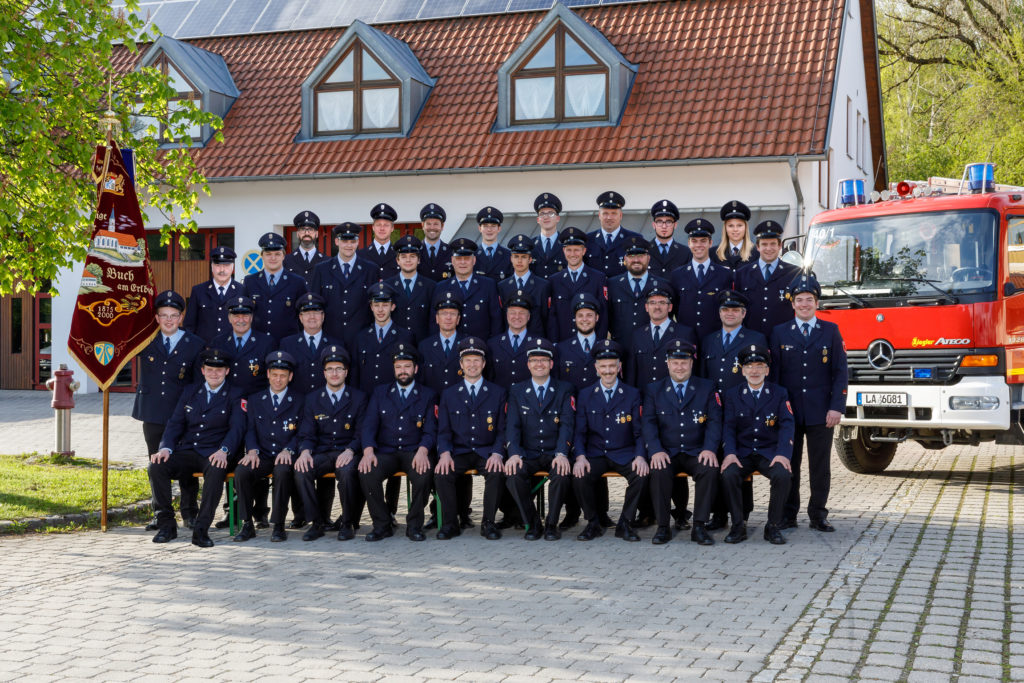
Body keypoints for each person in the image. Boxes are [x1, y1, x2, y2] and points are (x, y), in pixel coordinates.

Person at [770, 274, 847, 532]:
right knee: (790, 464)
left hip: (821, 412)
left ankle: (818, 515)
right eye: (800, 300)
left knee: (820, 466)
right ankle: (788, 514)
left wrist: (837, 406)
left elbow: (839, 372)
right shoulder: (780, 332)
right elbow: (776, 375)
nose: (804, 304)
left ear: (817, 303)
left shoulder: (830, 331)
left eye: (809, 300)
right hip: (790, 412)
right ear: (792, 303)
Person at [148, 348, 246, 548]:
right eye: (210, 369)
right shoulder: (190, 391)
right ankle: (167, 525)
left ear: (227, 371)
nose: (214, 374)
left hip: (215, 451)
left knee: (217, 469)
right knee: (156, 466)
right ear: (203, 370)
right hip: (189, 450)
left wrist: (224, 451)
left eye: (219, 370)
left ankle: (201, 530)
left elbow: (237, 428)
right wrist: (166, 448)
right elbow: (175, 423)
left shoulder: (235, 394)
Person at [133, 290, 205, 531]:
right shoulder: (145, 340)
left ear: (181, 317)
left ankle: (189, 512)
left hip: (182, 414)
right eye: (164, 315)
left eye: (174, 315)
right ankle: (160, 513)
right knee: (155, 463)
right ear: (156, 318)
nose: (169, 320)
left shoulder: (194, 344)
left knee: (185, 466)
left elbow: (197, 384)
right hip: (152, 412)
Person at [698, 290, 767, 531]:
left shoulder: (756, 338)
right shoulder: (708, 340)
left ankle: (743, 512)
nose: (730, 313)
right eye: (726, 310)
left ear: (743, 313)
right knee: (716, 460)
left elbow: (762, 375)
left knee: (741, 457)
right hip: (714, 410)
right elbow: (703, 377)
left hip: (743, 410)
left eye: (735, 310)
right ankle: (717, 515)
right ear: (719, 313)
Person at [642, 340, 721, 545]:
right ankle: (662, 526)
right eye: (675, 362)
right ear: (667, 363)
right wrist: (656, 450)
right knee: (658, 471)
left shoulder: (706, 387)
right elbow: (648, 424)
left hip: (696, 451)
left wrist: (709, 449)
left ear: (691, 363)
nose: (679, 367)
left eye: (684, 362)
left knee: (709, 469)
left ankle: (699, 526)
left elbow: (714, 422)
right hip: (667, 451)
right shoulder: (654, 390)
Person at [358, 344, 438, 542]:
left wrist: (423, 451)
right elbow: (368, 426)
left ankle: (414, 525)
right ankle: (382, 524)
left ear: (415, 369)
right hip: (386, 452)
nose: (403, 371)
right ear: (394, 369)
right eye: (399, 367)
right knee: (366, 472)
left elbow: (431, 429)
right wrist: (368, 452)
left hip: (413, 450)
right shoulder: (380, 393)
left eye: (407, 366)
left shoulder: (428, 395)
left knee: (423, 473)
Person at [572, 340, 648, 542]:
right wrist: (580, 457)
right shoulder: (585, 395)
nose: (608, 371)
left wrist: (640, 456)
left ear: (619, 367)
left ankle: (625, 522)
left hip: (624, 452)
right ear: (596, 368)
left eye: (612, 366)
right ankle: (592, 522)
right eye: (603, 366)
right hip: (595, 453)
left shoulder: (632, 394)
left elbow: (640, 432)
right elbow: (579, 432)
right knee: (580, 476)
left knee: (640, 475)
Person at [720, 344, 794, 545]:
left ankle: (773, 526)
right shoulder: (732, 394)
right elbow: (728, 427)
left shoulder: (779, 393)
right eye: (750, 366)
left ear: (767, 370)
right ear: (742, 370)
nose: (754, 371)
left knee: (782, 474)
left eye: (760, 366)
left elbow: (787, 425)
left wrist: (783, 454)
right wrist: (729, 453)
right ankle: (738, 525)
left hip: (768, 452)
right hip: (742, 452)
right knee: (729, 474)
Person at [294, 345, 368, 541]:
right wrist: (305, 452)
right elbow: (307, 432)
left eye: (339, 369)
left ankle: (347, 523)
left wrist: (351, 450)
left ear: (346, 372)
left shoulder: (359, 398)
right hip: (322, 452)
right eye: (330, 369)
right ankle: (316, 522)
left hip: (347, 451)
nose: (334, 373)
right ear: (324, 372)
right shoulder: (312, 399)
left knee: (346, 472)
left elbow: (362, 432)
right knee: (302, 470)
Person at [435, 337, 507, 540]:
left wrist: (497, 453)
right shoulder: (449, 394)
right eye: (468, 360)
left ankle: (488, 523)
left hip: (486, 450)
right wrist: (445, 453)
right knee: (442, 473)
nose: (472, 365)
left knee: (496, 472)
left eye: (477, 360)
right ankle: (450, 524)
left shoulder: (497, 392)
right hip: (459, 451)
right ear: (461, 364)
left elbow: (502, 429)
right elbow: (444, 431)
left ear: (484, 363)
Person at [504, 338, 575, 541]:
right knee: (513, 474)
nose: (539, 364)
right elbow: (513, 426)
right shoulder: (517, 391)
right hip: (529, 452)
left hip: (554, 451)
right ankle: (532, 523)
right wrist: (514, 453)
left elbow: (567, 425)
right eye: (534, 360)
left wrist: (562, 453)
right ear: (528, 364)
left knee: (561, 474)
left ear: (551, 364)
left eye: (544, 360)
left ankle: (552, 524)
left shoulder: (564, 389)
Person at [232, 351, 303, 543]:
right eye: (274, 375)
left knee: (282, 472)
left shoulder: (299, 400)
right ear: (268, 375)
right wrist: (252, 450)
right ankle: (247, 524)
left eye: (282, 375)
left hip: (286, 454)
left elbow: (303, 432)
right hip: (262, 454)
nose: (278, 380)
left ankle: (278, 525)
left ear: (290, 377)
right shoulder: (255, 399)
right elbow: (250, 429)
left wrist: (289, 449)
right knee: (242, 471)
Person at [310, 222, 380, 348]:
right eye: (344, 241)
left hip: (362, 339)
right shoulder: (321, 269)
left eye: (353, 241)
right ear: (337, 241)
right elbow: (315, 305)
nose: (349, 245)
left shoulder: (371, 270)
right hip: (329, 338)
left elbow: (374, 305)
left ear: (358, 242)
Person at [669, 218, 734, 341]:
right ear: (689, 243)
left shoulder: (724, 274)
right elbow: (673, 309)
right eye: (694, 241)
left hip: (715, 338)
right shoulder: (677, 275)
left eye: (703, 241)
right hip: (685, 339)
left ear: (710, 243)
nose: (698, 245)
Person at [733, 220, 800, 336]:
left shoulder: (795, 273)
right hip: (751, 339)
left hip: (784, 339)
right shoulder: (742, 274)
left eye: (773, 244)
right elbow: (737, 308)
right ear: (758, 247)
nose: (769, 248)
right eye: (764, 244)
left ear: (779, 246)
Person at [624, 287, 696, 389]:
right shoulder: (637, 335)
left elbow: (693, 369)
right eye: (652, 303)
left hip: (673, 399)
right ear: (646, 307)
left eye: (662, 302)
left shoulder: (685, 333)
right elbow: (631, 372)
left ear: (670, 307)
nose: (657, 307)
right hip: (645, 398)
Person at [431, 238, 502, 340]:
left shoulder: (488, 285)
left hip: (482, 348)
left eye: (467, 258)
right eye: (459, 259)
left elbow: (496, 321)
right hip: (452, 349)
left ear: (474, 260)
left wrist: (492, 346)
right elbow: (434, 322)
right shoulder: (441, 287)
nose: (463, 262)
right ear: (452, 261)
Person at [547, 226, 608, 342]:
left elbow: (603, 314)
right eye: (569, 250)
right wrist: (554, 343)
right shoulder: (554, 280)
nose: (573, 254)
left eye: (576, 250)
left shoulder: (598, 278)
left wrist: (599, 342)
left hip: (589, 342)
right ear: (563, 251)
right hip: (563, 343)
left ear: (584, 251)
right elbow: (552, 317)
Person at [606, 235, 669, 346]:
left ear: (648, 258)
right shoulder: (612, 285)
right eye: (631, 256)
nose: (636, 260)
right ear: (625, 259)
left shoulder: (663, 285)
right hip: (621, 347)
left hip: (652, 348)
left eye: (640, 256)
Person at [351, 283, 414, 395]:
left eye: (385, 305)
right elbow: (355, 375)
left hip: (393, 398)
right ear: (371, 307)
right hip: (366, 398)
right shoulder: (360, 337)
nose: (380, 310)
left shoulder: (405, 336)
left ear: (392, 306)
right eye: (376, 305)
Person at [209, 296, 276, 398]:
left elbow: (271, 377)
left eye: (245, 315)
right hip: (224, 401)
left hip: (255, 401)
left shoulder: (267, 343)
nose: (241, 320)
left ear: (251, 317)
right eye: (236, 316)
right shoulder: (218, 342)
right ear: (229, 318)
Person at [244, 232, 305, 343]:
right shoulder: (250, 281)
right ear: (262, 256)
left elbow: (303, 316)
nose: (273, 258)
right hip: (257, 344)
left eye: (277, 254)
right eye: (268, 254)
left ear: (283, 256)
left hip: (287, 345)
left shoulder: (297, 282)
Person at [278, 293, 339, 396]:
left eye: (316, 312)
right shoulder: (287, 344)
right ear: (300, 317)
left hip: (325, 403)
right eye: (307, 313)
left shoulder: (336, 345)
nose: (312, 317)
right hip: (296, 404)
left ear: (323, 316)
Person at [183, 245, 242, 343]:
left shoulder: (242, 290)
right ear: (212, 267)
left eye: (226, 265)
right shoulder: (198, 290)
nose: (222, 270)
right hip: (204, 352)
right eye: (218, 265)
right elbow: (190, 326)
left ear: (233, 267)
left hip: (233, 351)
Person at [385, 234, 436, 345]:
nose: (408, 260)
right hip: (394, 345)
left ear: (418, 260)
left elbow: (433, 321)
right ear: (397, 260)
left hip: (423, 346)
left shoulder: (431, 287)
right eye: (403, 256)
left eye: (412, 256)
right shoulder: (387, 286)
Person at [498, 234, 550, 338]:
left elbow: (546, 317)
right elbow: (502, 318)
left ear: (530, 260)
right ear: (511, 259)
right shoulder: (502, 286)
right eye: (516, 256)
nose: (520, 261)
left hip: (536, 339)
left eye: (524, 257)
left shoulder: (543, 285)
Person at [487, 295, 541, 389]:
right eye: (512, 312)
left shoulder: (537, 343)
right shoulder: (493, 344)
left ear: (528, 317)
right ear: (507, 315)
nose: (517, 317)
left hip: (527, 400)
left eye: (522, 313)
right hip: (500, 399)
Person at [585, 191, 642, 277]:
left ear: (621, 216)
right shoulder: (588, 239)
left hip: (622, 289)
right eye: (605, 213)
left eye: (614, 213)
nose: (609, 217)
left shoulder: (634, 239)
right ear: (599, 215)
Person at [647, 199, 692, 279]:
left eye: (668, 222)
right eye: (659, 221)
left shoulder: (685, 253)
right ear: (654, 225)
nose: (664, 226)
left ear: (675, 225)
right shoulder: (644, 251)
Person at [357, 203, 399, 280]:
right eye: (378, 225)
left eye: (386, 225)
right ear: (373, 227)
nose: (382, 228)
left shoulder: (400, 255)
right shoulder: (359, 256)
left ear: (392, 228)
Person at [530, 192, 566, 277]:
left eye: (551, 213)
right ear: (538, 219)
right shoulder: (530, 245)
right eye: (542, 213)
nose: (546, 217)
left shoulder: (566, 244)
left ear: (557, 218)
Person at [284, 210, 327, 281]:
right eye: (302, 229)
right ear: (297, 234)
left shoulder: (326, 262)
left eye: (310, 229)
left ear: (316, 234)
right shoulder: (286, 261)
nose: (306, 233)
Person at [713, 200, 756, 269]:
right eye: (731, 225)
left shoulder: (757, 253)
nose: (735, 229)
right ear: (725, 228)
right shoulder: (713, 253)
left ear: (745, 228)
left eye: (739, 225)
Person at [474, 206, 512, 281]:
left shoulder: (509, 256)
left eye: (493, 226)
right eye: (485, 226)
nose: (489, 230)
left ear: (499, 229)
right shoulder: (472, 256)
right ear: (480, 229)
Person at [418, 203, 453, 282]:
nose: (432, 228)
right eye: (428, 224)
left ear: (442, 226)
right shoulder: (415, 251)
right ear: (422, 225)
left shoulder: (451, 251)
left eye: (436, 224)